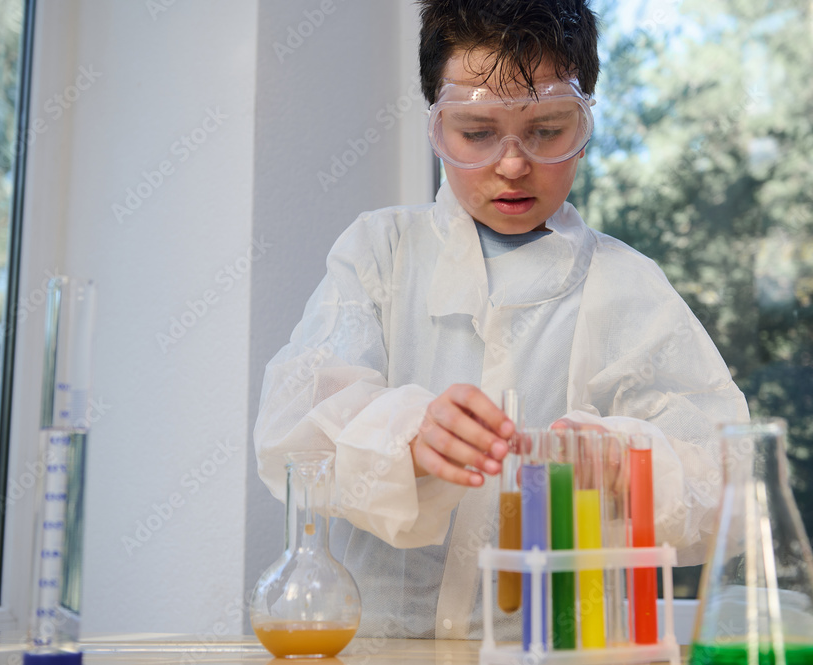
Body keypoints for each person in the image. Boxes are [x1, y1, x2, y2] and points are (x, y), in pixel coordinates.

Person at [254, 0, 748, 640]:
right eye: (477, 132)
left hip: (557, 651)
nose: (513, 164)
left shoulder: (627, 286)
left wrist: (629, 462)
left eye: (547, 130)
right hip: (378, 650)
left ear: (584, 119)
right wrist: (405, 435)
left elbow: (731, 480)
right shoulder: (381, 253)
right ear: (436, 124)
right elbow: (288, 436)